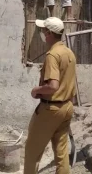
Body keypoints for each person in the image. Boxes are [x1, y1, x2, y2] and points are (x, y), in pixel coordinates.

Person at [24, 17, 77, 174]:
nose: (42, 33)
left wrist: (37, 90)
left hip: (51, 109)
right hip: (67, 106)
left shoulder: (52, 55)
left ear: (49, 33)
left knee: (32, 151)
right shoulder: (69, 53)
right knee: (61, 154)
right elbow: (71, 83)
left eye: (43, 30)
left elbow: (53, 86)